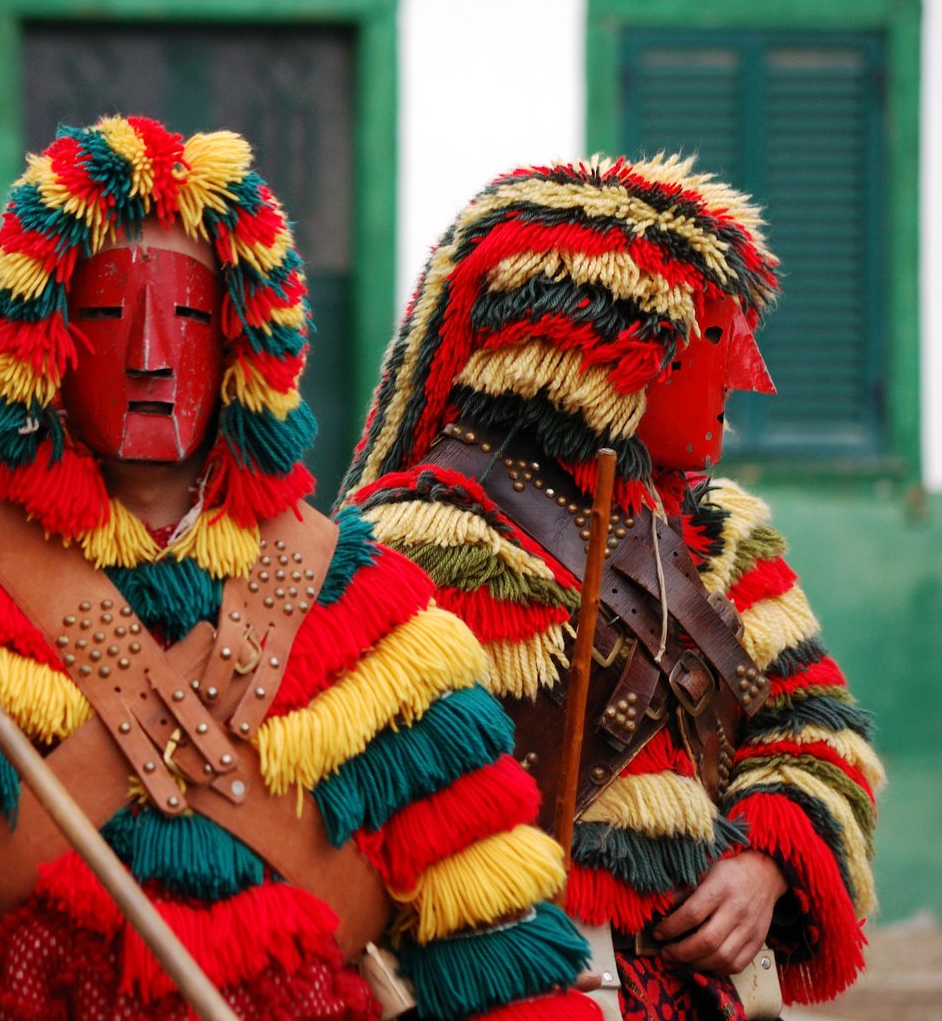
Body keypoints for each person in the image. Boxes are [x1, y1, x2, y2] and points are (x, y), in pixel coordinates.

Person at [0, 116, 599, 1021]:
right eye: (107, 313)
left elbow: (495, 952)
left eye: (193, 315)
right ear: (39, 338)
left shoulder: (376, 613)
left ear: (248, 340)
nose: (153, 355)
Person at [340, 157, 882, 1018]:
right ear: (605, 350)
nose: (748, 377)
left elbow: (818, 731)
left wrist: (766, 864)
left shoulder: (723, 534)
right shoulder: (411, 545)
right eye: (712, 337)